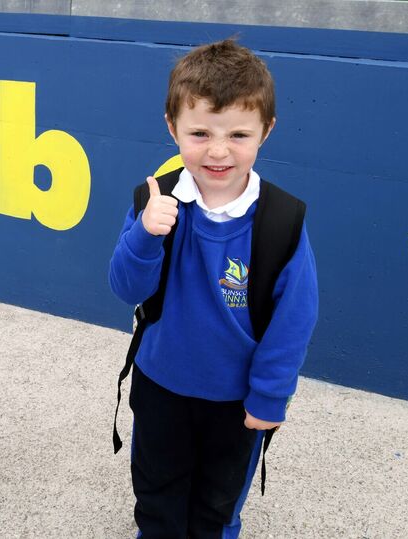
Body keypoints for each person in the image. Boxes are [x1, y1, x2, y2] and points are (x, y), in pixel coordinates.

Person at [108, 39, 319, 538]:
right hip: (160, 384)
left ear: (266, 131)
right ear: (171, 127)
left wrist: (270, 398)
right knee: (157, 491)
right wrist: (145, 234)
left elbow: (294, 320)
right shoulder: (154, 201)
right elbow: (124, 287)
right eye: (199, 132)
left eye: (238, 134)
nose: (218, 151)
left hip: (236, 399)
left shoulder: (282, 219)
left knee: (217, 504)